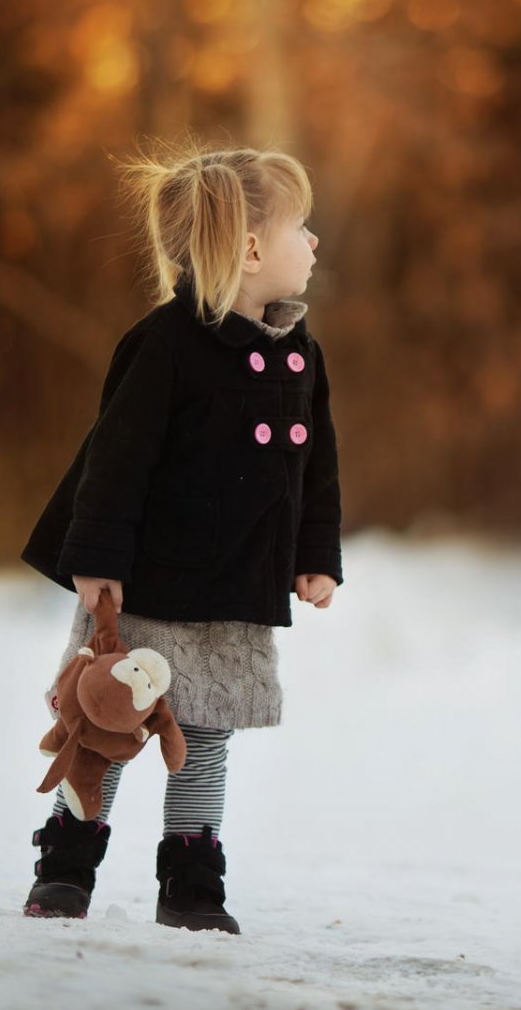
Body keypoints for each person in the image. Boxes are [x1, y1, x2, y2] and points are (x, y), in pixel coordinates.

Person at [17, 145, 343, 932]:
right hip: (151, 586)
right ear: (252, 248)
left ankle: (192, 886)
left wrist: (313, 555)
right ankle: (65, 868)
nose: (315, 242)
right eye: (302, 226)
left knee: (203, 737)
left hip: (236, 588)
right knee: (108, 725)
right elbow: (115, 458)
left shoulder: (300, 354)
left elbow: (318, 465)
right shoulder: (165, 344)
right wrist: (94, 559)